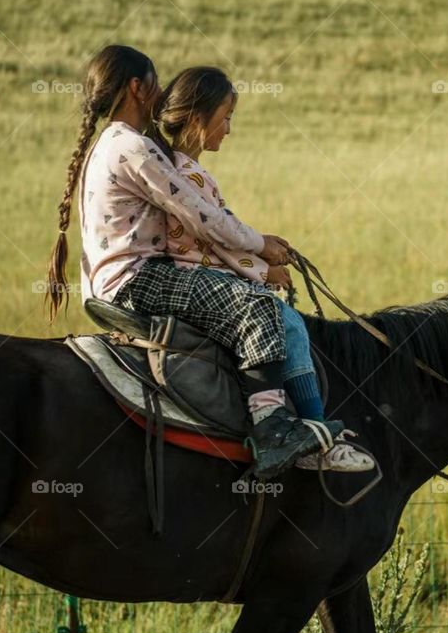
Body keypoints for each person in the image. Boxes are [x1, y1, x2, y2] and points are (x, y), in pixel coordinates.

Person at [44, 45, 356, 477]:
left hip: (123, 278)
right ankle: (272, 427)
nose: (160, 92)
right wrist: (259, 245)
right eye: (153, 82)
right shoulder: (131, 148)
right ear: (138, 87)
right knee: (257, 305)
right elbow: (200, 215)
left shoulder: (115, 145)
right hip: (138, 279)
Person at [149, 65, 372, 473]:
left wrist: (263, 249)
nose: (229, 129)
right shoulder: (187, 175)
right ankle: (316, 433)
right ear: (199, 119)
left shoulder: (183, 170)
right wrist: (262, 271)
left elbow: (221, 234)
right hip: (201, 274)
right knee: (286, 323)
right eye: (226, 117)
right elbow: (212, 240)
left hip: (205, 271)